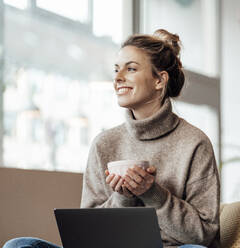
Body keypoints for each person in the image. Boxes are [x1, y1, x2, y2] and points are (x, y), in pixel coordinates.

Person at [3, 29, 220, 248]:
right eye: (116, 70)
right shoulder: (104, 143)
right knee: (19, 245)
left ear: (159, 80)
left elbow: (202, 235)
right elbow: (85, 237)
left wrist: (153, 193)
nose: (117, 78)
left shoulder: (195, 143)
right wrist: (122, 198)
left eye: (131, 69)